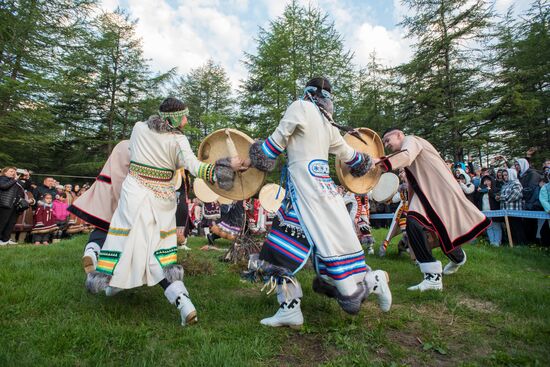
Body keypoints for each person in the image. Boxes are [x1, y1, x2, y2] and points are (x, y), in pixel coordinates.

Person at [243, 77, 391, 328]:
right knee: (333, 247)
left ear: (308, 93)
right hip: (326, 194)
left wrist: (254, 157)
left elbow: (276, 142)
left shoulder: (300, 107)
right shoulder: (327, 122)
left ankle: (290, 309)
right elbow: (350, 156)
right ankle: (373, 281)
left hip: (303, 193)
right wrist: (369, 161)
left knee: (276, 252)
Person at [85, 97, 245, 326]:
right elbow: (196, 168)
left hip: (133, 198)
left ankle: (114, 280)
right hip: (161, 202)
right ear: (175, 118)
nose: (187, 120)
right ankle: (181, 301)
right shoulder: (178, 141)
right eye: (185, 116)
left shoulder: (138, 128)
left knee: (124, 243)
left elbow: (131, 153)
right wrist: (229, 165)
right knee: (157, 252)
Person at [373, 128, 491, 291]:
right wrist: (411, 205)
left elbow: (405, 157)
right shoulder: (407, 154)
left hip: (441, 193)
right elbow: (414, 183)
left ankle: (445, 268)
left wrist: (379, 162)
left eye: (387, 140)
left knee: (441, 230)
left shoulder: (411, 141)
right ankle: (439, 272)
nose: (386, 144)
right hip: (426, 197)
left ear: (399, 134)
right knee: (420, 227)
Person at [68, 140, 131, 273]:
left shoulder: (122, 144)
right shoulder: (134, 146)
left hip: (104, 190)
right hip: (119, 192)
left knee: (103, 226)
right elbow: (121, 176)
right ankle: (117, 268)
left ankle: (91, 250)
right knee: (121, 230)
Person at [496, 169, 525, 245]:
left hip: (514, 210)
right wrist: (498, 197)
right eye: (504, 175)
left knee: (517, 228)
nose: (504, 177)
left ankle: (521, 244)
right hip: (505, 210)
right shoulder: (505, 184)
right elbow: (504, 196)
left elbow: (514, 196)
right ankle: (513, 243)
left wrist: (501, 197)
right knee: (510, 228)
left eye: (506, 175)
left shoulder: (516, 183)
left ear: (511, 175)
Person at [0, 167, 27, 245]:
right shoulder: (2, 178)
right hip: (5, 204)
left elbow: (25, 186)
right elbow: (3, 186)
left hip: (15, 205)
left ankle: (5, 240)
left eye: (14, 171)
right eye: (11, 171)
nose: (13, 173)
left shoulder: (15, 181)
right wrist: (14, 180)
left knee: (11, 223)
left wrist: (27, 178)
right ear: (5, 172)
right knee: (2, 222)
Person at [475, 175, 502, 246]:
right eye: (485, 181)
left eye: (488, 180)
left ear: (492, 181)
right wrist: (478, 192)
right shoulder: (481, 191)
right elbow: (476, 199)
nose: (486, 182)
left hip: (494, 211)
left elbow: (496, 198)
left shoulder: (496, 189)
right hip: (485, 211)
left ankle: (497, 242)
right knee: (489, 227)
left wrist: (489, 190)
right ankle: (492, 242)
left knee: (496, 226)